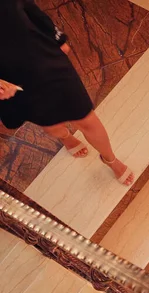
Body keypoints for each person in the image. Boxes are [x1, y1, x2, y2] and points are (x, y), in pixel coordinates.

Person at [0, 0, 134, 185]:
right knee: (50, 124)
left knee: (86, 117)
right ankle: (66, 138)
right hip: (10, 79)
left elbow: (29, 8)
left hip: (45, 59)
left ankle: (110, 159)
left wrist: (57, 38)